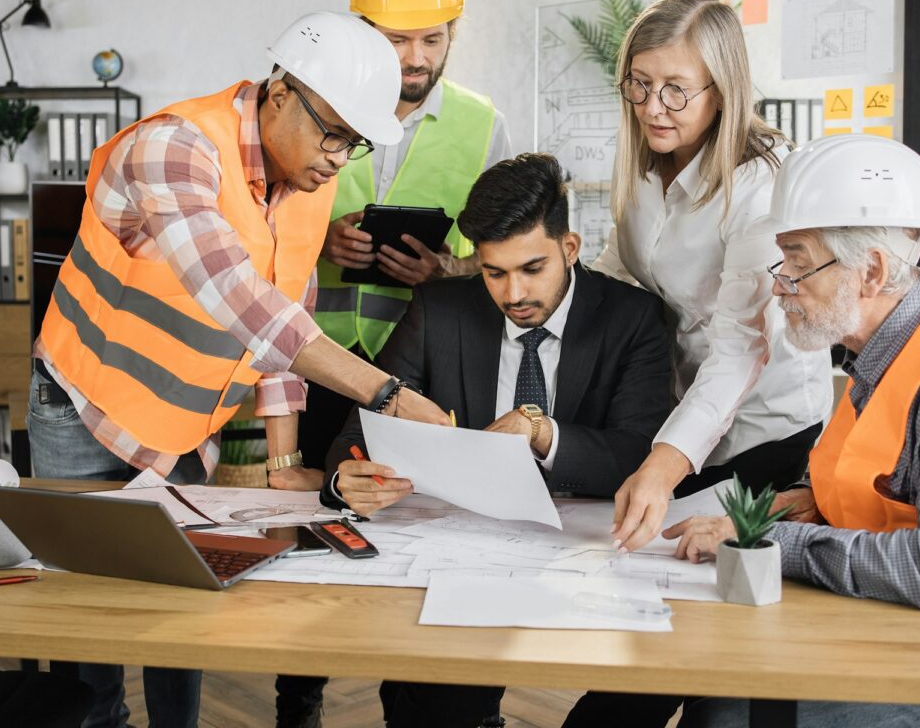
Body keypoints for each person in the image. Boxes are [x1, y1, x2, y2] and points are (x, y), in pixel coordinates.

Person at [27, 11, 450, 728]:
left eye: (353, 144)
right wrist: (383, 391)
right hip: (84, 403)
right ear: (281, 95)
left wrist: (283, 458)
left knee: (181, 604)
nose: (338, 159)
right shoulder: (174, 148)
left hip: (182, 423)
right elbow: (239, 299)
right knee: (84, 613)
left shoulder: (311, 184)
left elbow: (287, 306)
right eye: (334, 134)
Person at [592, 134, 920, 728]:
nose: (780, 285)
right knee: (716, 689)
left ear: (871, 271)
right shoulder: (880, 358)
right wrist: (801, 505)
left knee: (727, 715)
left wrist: (773, 543)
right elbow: (889, 489)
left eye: (798, 264)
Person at [276, 153, 672, 728]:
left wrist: (541, 431)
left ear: (570, 247)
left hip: (587, 547)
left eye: (532, 268)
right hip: (462, 551)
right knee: (436, 706)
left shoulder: (633, 318)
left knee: (638, 694)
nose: (513, 293)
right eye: (493, 272)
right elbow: (357, 434)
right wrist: (344, 480)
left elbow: (638, 454)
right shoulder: (439, 311)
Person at [591, 0, 833, 557]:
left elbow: (741, 351)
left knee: (712, 572)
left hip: (764, 427)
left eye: (677, 89)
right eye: (640, 84)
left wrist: (662, 465)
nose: (653, 107)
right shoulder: (645, 162)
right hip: (685, 410)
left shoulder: (761, 185)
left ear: (721, 92)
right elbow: (616, 271)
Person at [293, 0, 513, 485]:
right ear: (366, 34)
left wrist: (446, 271)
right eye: (397, 40)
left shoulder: (484, 124)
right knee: (329, 502)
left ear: (451, 36)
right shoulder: (316, 105)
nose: (417, 57)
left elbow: (511, 252)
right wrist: (321, 242)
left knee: (428, 504)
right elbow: (267, 220)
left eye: (432, 39)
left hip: (432, 357)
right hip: (322, 356)